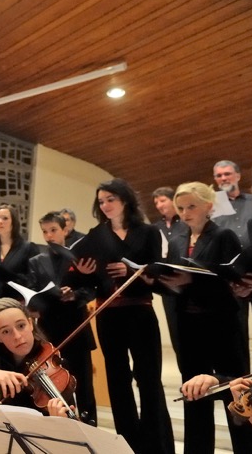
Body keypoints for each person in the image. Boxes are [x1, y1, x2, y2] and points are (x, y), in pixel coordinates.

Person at [82, 178, 174, 454]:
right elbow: (92, 279)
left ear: (124, 200)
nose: (105, 205)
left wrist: (136, 272)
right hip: (109, 314)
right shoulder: (95, 234)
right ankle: (128, 444)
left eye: (110, 199)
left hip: (140, 310)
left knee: (148, 378)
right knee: (117, 379)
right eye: (101, 202)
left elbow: (157, 271)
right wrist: (85, 275)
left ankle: (157, 444)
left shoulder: (147, 232)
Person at [164, 182, 248, 453]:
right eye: (181, 208)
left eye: (191, 206)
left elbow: (233, 278)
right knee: (193, 393)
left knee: (234, 393)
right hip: (188, 326)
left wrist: (193, 278)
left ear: (208, 207)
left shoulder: (223, 236)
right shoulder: (177, 240)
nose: (185, 213)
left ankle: (246, 448)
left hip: (221, 324)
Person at [28, 212, 97, 425]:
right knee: (52, 385)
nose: (49, 236)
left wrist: (74, 295)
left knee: (84, 384)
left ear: (64, 230)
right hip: (49, 329)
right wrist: (48, 295)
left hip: (76, 326)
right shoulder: (36, 261)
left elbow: (92, 288)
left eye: (53, 230)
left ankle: (89, 426)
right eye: (45, 231)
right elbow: (32, 293)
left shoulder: (76, 257)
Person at [212, 160, 252, 371]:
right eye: (219, 175)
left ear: (238, 176)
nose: (223, 178)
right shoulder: (212, 206)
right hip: (233, 278)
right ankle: (246, 389)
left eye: (227, 174)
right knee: (236, 338)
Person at [151, 185, 189, 367]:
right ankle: (184, 369)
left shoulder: (184, 222)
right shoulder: (155, 227)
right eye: (156, 202)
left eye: (162, 200)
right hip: (167, 286)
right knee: (175, 331)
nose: (159, 205)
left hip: (188, 284)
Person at [0, 204, 39, 302]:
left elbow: (34, 280)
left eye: (5, 218)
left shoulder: (28, 248)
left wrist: (10, 277)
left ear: (14, 223)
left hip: (18, 303)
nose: (0, 222)